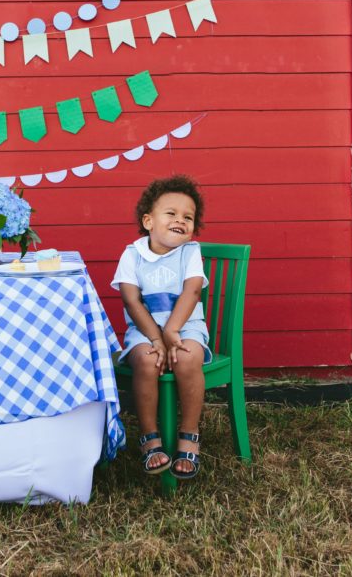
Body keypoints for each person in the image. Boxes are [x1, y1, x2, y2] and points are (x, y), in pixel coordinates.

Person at [111, 175, 210, 480]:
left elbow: (192, 291)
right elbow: (132, 301)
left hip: (186, 325)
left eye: (188, 217)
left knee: (188, 356)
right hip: (145, 330)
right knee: (146, 359)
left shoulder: (190, 253)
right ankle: (150, 436)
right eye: (171, 214)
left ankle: (189, 433)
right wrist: (156, 336)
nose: (180, 220)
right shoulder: (132, 255)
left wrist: (172, 332)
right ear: (149, 221)